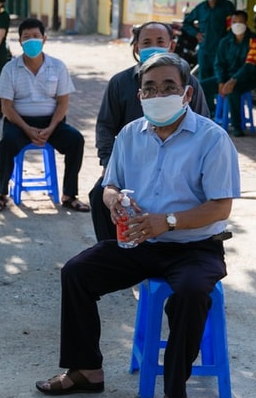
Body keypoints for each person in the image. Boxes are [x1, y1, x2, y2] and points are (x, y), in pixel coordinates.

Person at [35, 52, 240, 398]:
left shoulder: (212, 138)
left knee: (192, 293)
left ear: (187, 94)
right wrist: (113, 200)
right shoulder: (130, 134)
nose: (158, 93)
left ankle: (176, 393)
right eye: (150, 87)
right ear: (140, 94)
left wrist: (169, 222)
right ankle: (86, 370)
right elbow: (111, 184)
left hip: (194, 246)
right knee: (78, 272)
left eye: (168, 87)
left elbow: (220, 206)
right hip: (141, 241)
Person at [89, 21, 212, 242]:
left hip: (178, 166)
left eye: (160, 42)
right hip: (132, 164)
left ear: (171, 47)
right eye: (146, 42)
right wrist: (108, 164)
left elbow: (204, 126)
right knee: (100, 194)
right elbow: (105, 126)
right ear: (136, 48)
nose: (153, 46)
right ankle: (112, 248)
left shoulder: (189, 83)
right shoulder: (119, 83)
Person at [0, 18, 89, 214]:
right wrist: (27, 129)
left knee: (76, 140)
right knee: (6, 143)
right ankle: (1, 194)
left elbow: (63, 103)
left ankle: (70, 195)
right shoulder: (10, 68)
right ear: (19, 41)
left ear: (44, 38)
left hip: (52, 122)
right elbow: (6, 107)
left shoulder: (57, 66)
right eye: (26, 37)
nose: (31, 41)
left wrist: (51, 128)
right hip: (18, 123)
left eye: (36, 36)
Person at [182, 0, 235, 111]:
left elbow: (233, 25)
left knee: (221, 78)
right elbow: (187, 23)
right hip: (205, 50)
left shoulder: (227, 6)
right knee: (205, 80)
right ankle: (209, 110)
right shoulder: (200, 8)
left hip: (222, 51)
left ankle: (221, 110)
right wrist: (196, 34)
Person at [215, 10, 256, 137]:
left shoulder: (254, 41)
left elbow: (250, 64)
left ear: (246, 23)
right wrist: (220, 81)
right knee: (202, 85)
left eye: (240, 22)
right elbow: (219, 64)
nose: (237, 25)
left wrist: (233, 80)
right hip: (226, 77)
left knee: (233, 91)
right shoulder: (225, 42)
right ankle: (204, 121)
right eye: (234, 22)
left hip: (247, 78)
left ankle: (237, 126)